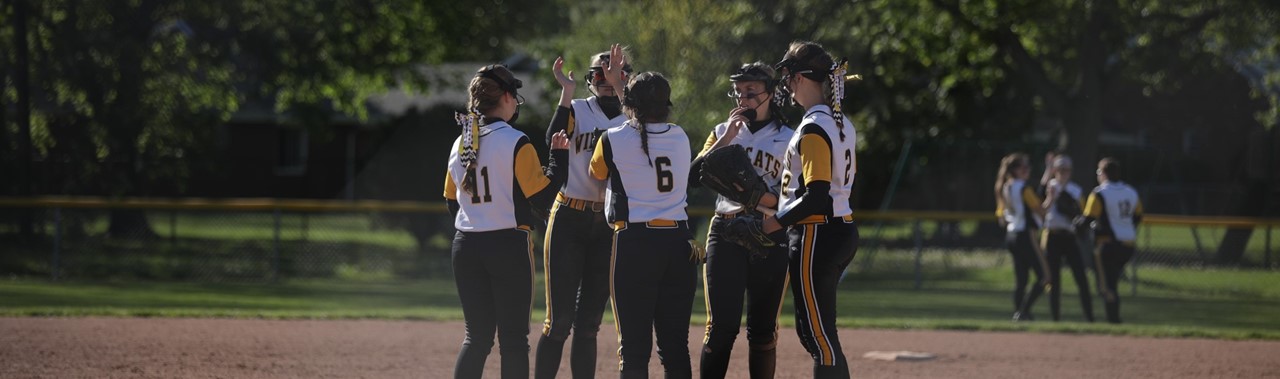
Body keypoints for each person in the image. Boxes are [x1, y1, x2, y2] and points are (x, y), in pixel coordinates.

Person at [444, 64, 570, 379]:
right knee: (513, 341)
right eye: (514, 93)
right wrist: (558, 159)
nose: (516, 101)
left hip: (466, 245)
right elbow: (542, 199)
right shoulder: (516, 141)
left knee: (476, 338)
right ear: (504, 96)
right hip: (507, 245)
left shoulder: (460, 143)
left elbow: (451, 202)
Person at [588, 44, 696, 379]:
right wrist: (625, 87)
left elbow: (596, 176)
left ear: (630, 104)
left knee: (634, 349)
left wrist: (621, 87)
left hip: (635, 244)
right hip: (679, 244)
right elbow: (641, 120)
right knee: (675, 345)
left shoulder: (612, 138)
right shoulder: (681, 137)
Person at [689, 62, 793, 379]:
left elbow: (797, 195)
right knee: (721, 328)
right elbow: (694, 176)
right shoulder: (722, 131)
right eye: (739, 92)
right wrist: (728, 138)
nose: (743, 99)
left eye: (752, 92)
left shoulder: (791, 137)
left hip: (770, 232)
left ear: (771, 95)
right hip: (727, 230)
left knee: (762, 330)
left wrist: (760, 199)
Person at [535, 50, 632, 379]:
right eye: (600, 75)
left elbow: (642, 132)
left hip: (607, 224)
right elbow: (552, 138)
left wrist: (621, 86)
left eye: (614, 74)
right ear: (590, 80)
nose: (606, 81)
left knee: (589, 324)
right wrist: (566, 91)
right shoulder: (577, 109)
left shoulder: (634, 119)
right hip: (569, 218)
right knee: (558, 322)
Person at [772, 41, 859, 378]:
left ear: (801, 78)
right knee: (821, 334)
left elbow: (816, 194)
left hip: (815, 232)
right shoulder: (840, 123)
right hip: (838, 228)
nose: (787, 84)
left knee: (818, 337)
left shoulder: (812, 127)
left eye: (789, 75)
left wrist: (772, 224)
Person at [1079, 157, 1143, 324]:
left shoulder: (1099, 192)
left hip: (1107, 245)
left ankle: (1114, 320)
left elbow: (1087, 219)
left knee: (1105, 287)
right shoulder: (1131, 191)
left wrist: (1077, 226)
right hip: (1128, 245)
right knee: (1112, 282)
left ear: (1103, 174)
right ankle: (1113, 319)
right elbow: (1137, 216)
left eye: (1098, 172)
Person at [994, 152, 1050, 321]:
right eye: (1022, 167)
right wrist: (1052, 198)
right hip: (1026, 235)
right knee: (1045, 277)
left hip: (1011, 235)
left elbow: (1001, 217)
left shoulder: (1005, 186)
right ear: (1014, 170)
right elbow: (1041, 210)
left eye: (1028, 166)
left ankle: (1019, 313)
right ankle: (1022, 312)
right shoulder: (1024, 188)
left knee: (1022, 280)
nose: (1027, 169)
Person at [1040, 155, 1095, 322]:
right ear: (1055, 171)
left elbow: (1082, 214)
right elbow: (1040, 206)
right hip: (1053, 236)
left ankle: (1089, 317)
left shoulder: (1076, 190)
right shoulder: (1049, 186)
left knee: (1081, 278)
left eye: (1067, 170)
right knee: (1054, 280)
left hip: (1070, 237)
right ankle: (1055, 319)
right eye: (1060, 169)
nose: (1064, 173)